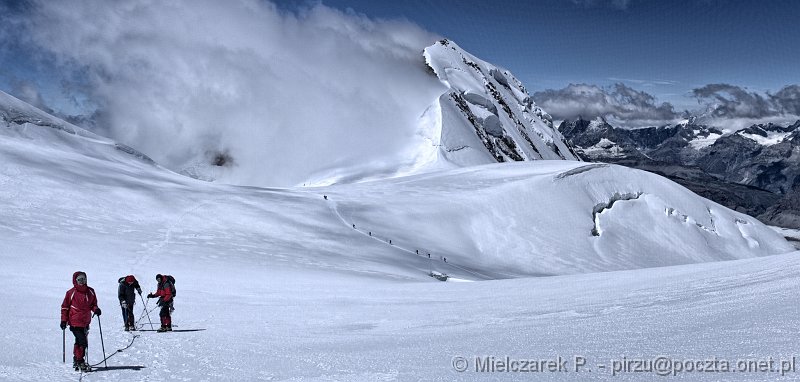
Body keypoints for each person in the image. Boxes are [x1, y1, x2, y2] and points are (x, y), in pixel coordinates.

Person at [60, 271, 102, 371]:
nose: (82, 282)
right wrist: (63, 320)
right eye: (79, 280)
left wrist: (96, 309)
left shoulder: (90, 291)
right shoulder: (71, 293)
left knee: (79, 341)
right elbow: (65, 307)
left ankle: (76, 359)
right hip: (74, 322)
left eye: (83, 279)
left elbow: (93, 304)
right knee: (83, 341)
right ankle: (80, 361)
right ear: (75, 281)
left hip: (86, 321)